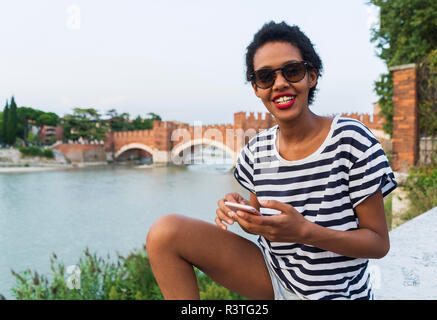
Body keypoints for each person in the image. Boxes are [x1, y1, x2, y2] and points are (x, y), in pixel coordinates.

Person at [146, 21, 397, 300]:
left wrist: (305, 232)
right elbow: (261, 221)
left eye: (292, 71)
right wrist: (239, 211)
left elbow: (378, 243)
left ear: (311, 76)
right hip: (274, 278)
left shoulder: (351, 139)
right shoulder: (256, 150)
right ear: (256, 88)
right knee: (165, 233)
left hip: (338, 292)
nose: (280, 84)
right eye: (266, 77)